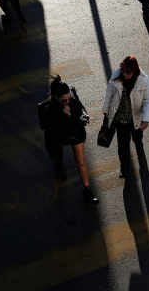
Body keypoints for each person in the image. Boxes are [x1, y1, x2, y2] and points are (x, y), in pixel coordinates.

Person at [39, 75, 99, 204]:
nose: (68, 101)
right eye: (64, 100)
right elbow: (58, 131)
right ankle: (59, 164)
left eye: (69, 98)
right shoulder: (50, 109)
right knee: (58, 151)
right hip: (59, 135)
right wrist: (67, 117)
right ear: (56, 98)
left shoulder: (72, 97)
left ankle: (87, 190)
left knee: (81, 161)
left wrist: (83, 117)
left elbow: (80, 107)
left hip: (75, 133)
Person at [102, 56, 149, 179]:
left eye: (128, 72)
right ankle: (125, 169)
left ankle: (140, 150)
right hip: (121, 120)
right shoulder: (116, 76)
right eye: (123, 70)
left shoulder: (143, 79)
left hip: (136, 119)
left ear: (134, 71)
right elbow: (109, 93)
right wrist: (106, 109)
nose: (124, 74)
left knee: (137, 139)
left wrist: (146, 119)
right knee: (123, 146)